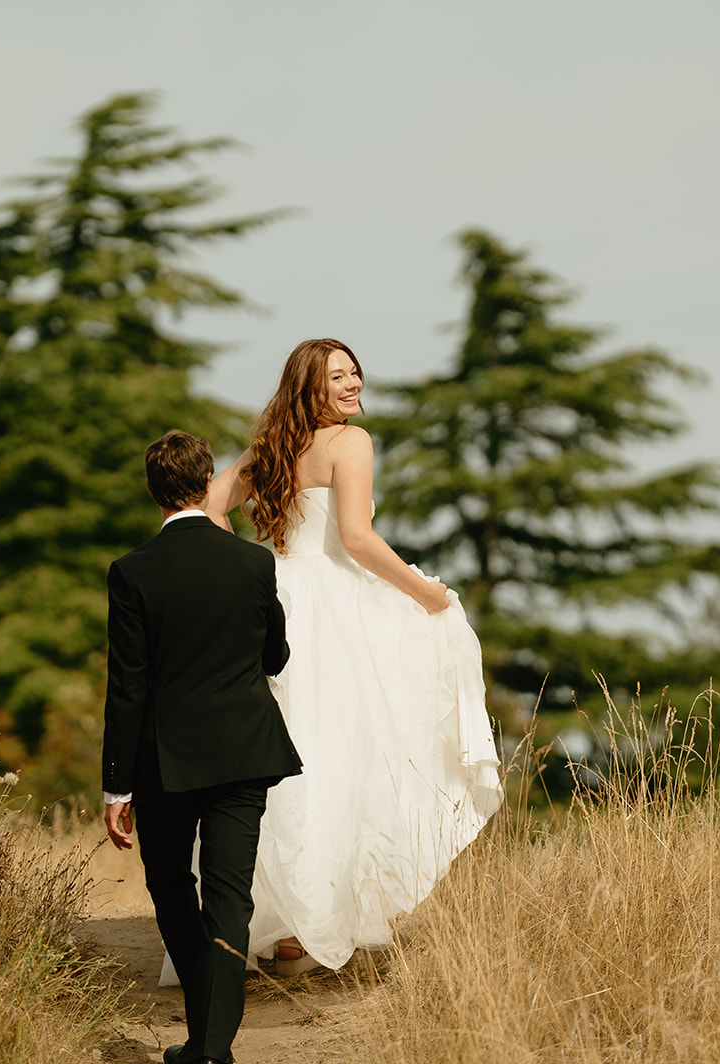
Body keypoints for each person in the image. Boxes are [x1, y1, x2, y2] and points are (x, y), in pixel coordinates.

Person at [203, 337, 503, 975]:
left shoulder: (273, 447)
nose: (353, 383)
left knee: (284, 758)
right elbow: (358, 539)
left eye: (354, 371)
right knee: (347, 752)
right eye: (337, 376)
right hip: (335, 609)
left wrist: (245, 570)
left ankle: (283, 931)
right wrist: (425, 593)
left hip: (279, 602)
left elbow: (209, 507)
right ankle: (313, 924)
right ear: (309, 386)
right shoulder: (352, 444)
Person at [102, 430, 303, 1064]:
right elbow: (275, 654)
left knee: (168, 882)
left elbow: (127, 686)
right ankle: (213, 1042)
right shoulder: (253, 563)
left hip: (167, 761)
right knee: (229, 896)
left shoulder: (133, 572)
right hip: (246, 750)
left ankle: (207, 1035)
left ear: (151, 490)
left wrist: (116, 784)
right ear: (206, 477)